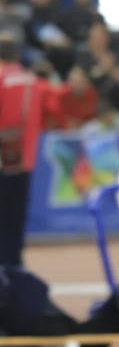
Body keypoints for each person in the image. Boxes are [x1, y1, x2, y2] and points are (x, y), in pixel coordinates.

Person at [0, 35, 59, 267]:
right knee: (15, 216)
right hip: (24, 160)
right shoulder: (35, 82)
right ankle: (14, 267)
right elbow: (53, 114)